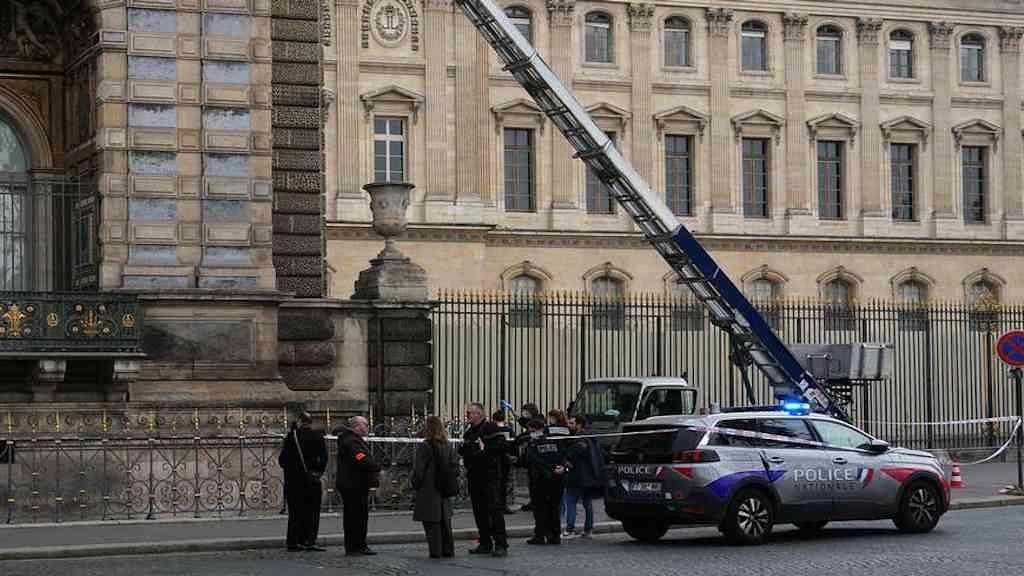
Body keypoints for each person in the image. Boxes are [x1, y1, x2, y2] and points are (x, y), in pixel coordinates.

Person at [459, 402, 510, 557]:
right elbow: (464, 450)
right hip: (474, 476)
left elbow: (502, 447)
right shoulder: (469, 432)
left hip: (489, 476)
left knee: (494, 510)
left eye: (469, 413)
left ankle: (501, 543)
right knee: (479, 511)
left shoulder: (491, 428)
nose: (467, 415)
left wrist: (484, 449)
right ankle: (485, 542)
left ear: (479, 414)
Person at [278, 412, 328, 552]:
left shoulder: (291, 438)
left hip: (294, 481)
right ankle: (309, 540)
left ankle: (293, 541)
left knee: (295, 512)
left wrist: (292, 471)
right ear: (311, 422)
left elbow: (282, 461)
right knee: (312, 512)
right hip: (312, 479)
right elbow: (324, 458)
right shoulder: (317, 436)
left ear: (300, 421)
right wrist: (317, 472)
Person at [412, 415, 459, 559]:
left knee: (432, 523)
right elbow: (455, 467)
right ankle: (448, 550)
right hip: (444, 488)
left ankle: (436, 551)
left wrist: (415, 483)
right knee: (445, 522)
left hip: (429, 489)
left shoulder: (425, 446)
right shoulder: (448, 445)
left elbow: (419, 470)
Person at [335, 415, 381, 556]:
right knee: (356, 516)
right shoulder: (351, 441)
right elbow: (360, 458)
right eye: (365, 424)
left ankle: (357, 544)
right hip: (353, 484)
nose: (367, 427)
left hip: (355, 483)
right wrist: (375, 466)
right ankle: (356, 545)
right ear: (357, 427)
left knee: (357, 516)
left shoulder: (352, 439)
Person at [524, 419, 568, 545]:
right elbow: (562, 455)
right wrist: (560, 467)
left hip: (540, 479)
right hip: (557, 478)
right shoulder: (554, 440)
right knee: (554, 508)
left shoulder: (533, 444)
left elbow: (532, 459)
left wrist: (552, 468)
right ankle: (555, 535)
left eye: (531, 430)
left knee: (540, 509)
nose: (530, 433)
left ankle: (540, 535)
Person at [563, 415, 603, 539]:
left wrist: (568, 459)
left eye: (571, 423)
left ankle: (569, 529)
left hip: (578, 475)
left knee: (570, 500)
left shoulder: (580, 438)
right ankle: (588, 529)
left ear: (579, 425)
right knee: (587, 503)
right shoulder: (592, 437)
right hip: (590, 475)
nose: (569, 426)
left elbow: (579, 450)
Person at [515, 403, 541, 512]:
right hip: (531, 457)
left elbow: (529, 432)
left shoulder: (537, 420)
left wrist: (519, 439)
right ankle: (533, 501)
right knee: (532, 481)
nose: (523, 413)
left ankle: (536, 502)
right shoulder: (531, 420)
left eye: (525, 411)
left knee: (536, 482)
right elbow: (523, 422)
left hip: (536, 457)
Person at [492, 410, 515, 514]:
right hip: (506, 459)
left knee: (495, 483)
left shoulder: (492, 430)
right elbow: (513, 444)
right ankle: (503, 505)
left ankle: (495, 505)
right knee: (504, 483)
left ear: (494, 419)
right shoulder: (509, 430)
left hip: (494, 459)